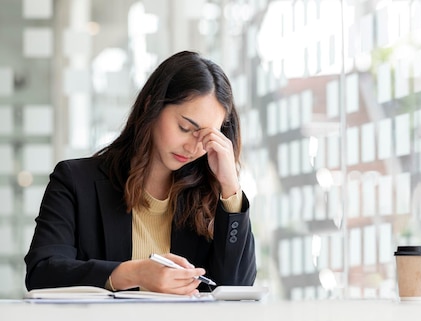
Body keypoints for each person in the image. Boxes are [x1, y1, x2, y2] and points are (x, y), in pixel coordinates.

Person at [24, 51, 256, 296]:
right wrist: (132, 273)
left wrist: (230, 186)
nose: (193, 147)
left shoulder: (209, 197)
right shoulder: (75, 181)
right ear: (151, 106)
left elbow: (236, 289)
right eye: (185, 128)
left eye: (207, 137)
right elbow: (42, 274)